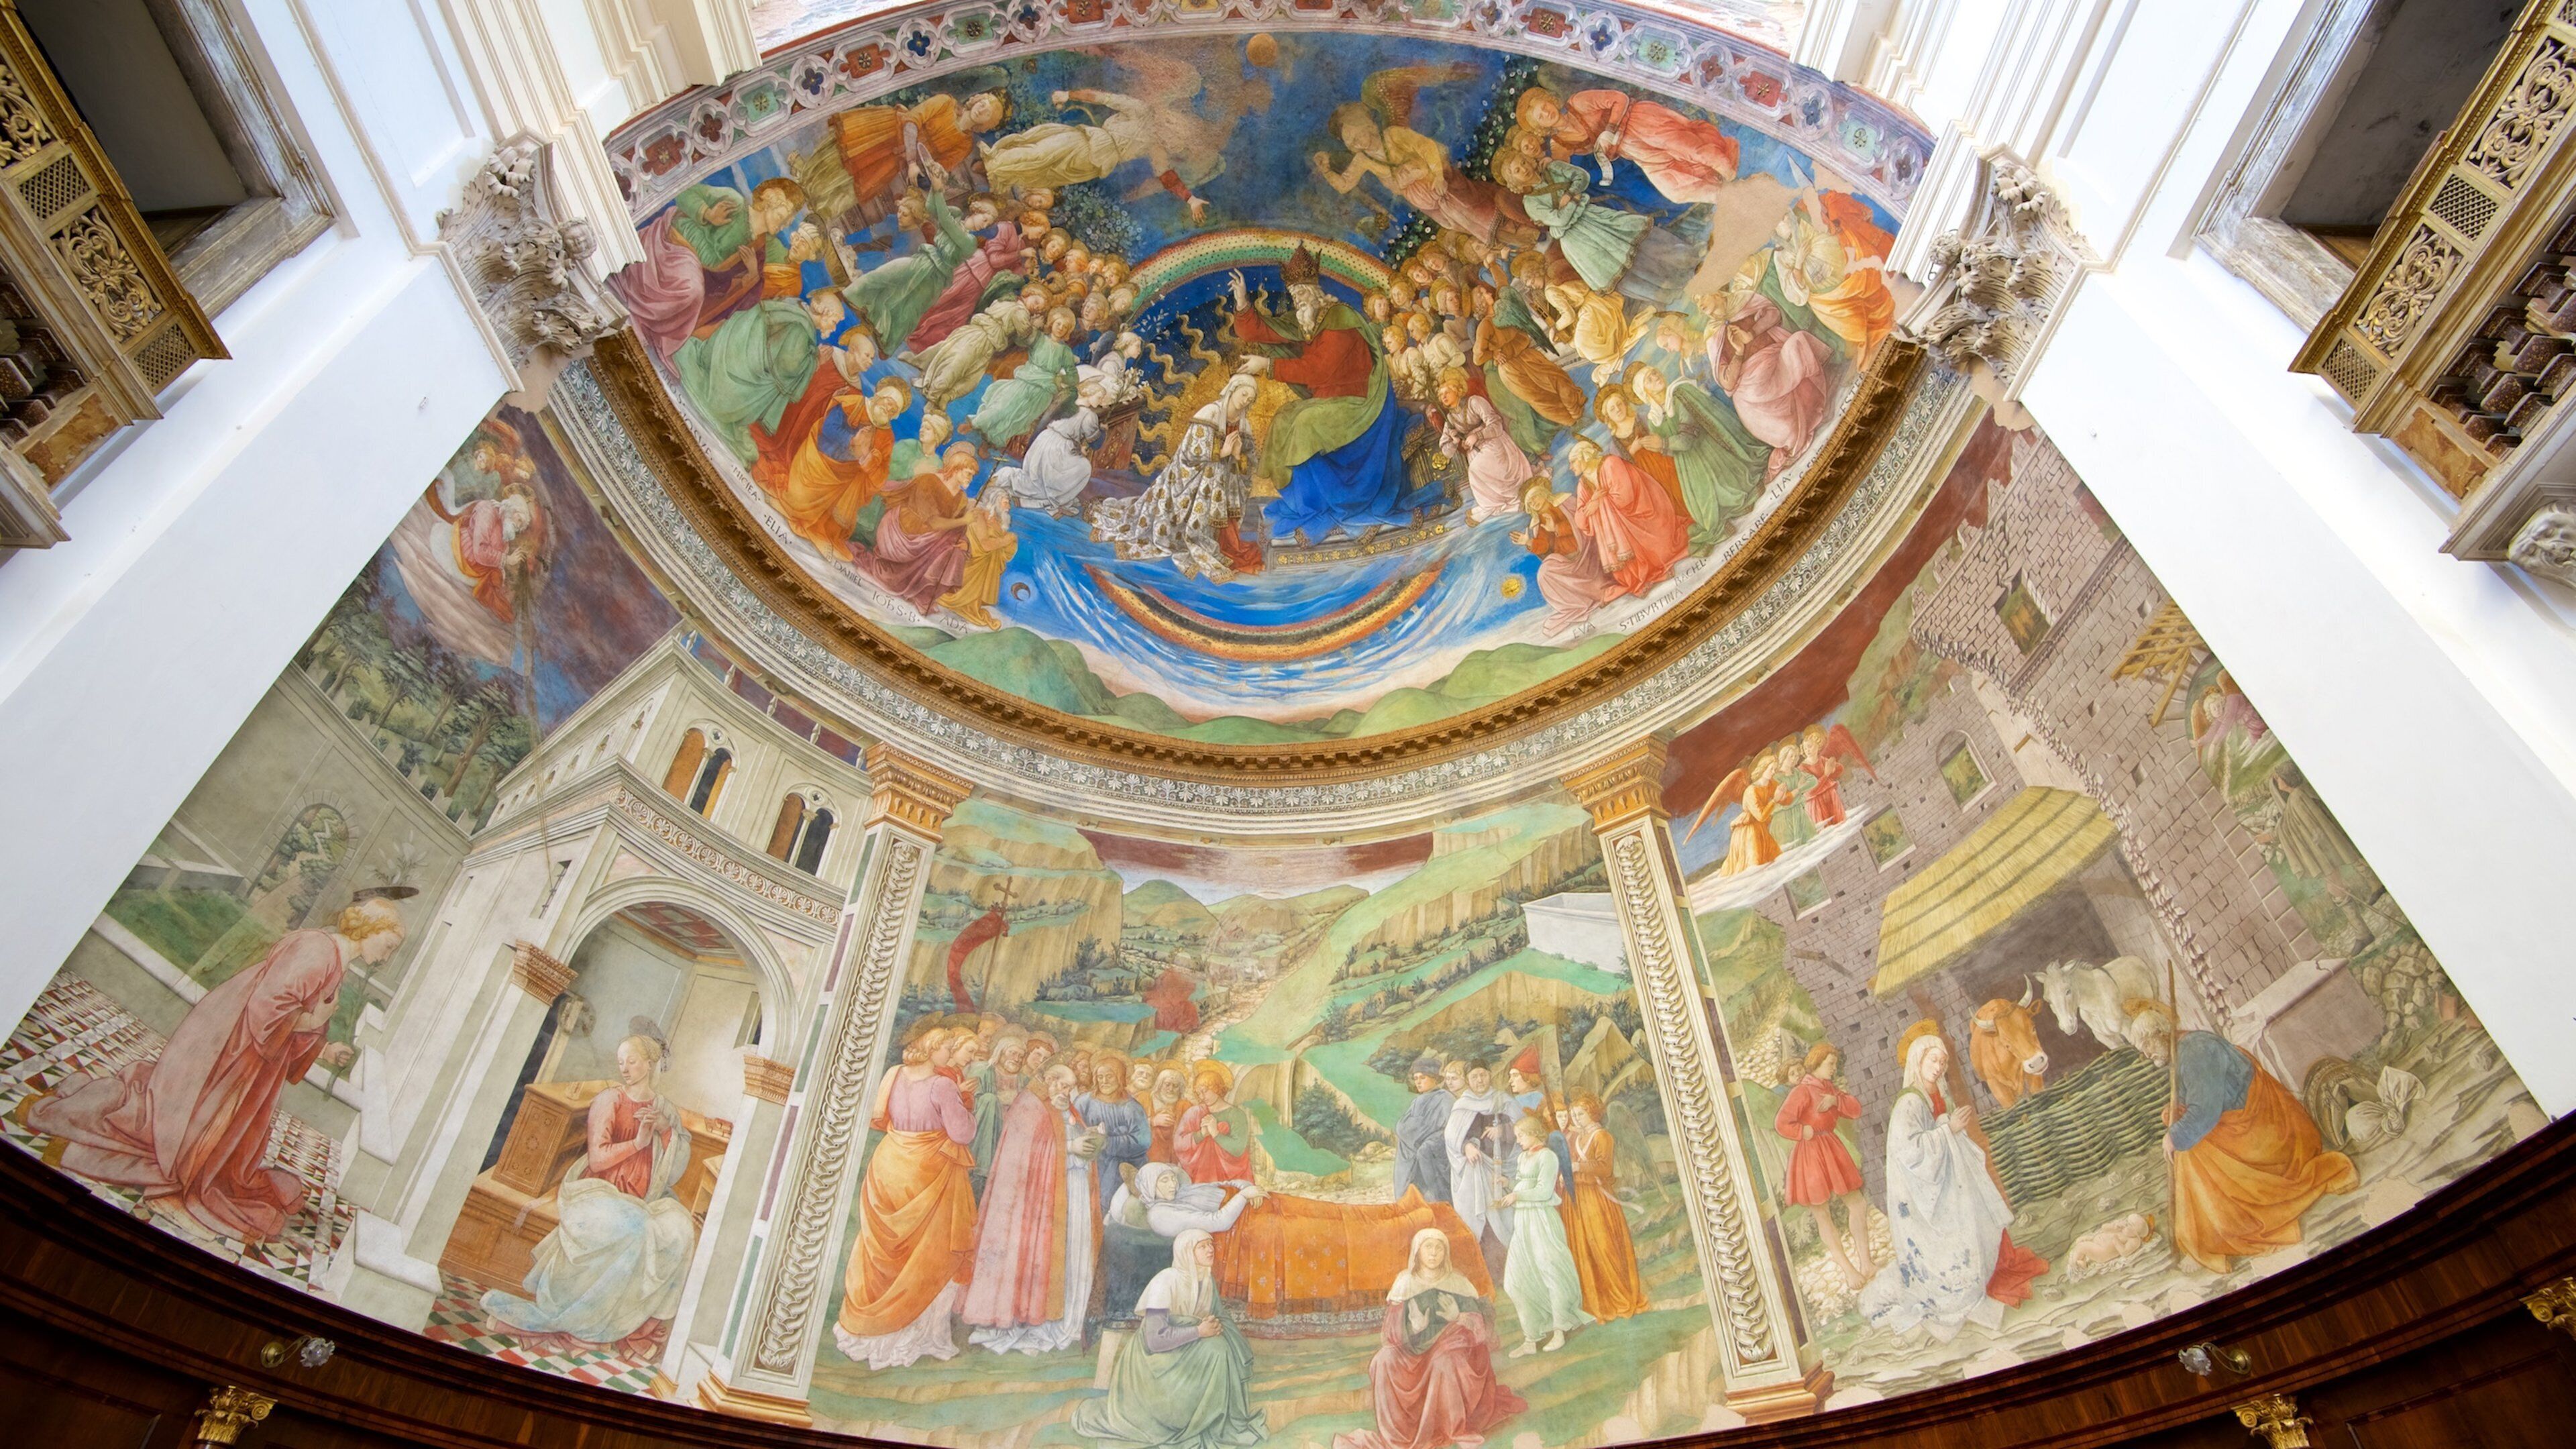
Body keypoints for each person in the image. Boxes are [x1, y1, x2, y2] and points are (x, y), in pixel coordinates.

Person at [21, 894, 397, 1244]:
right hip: (234, 1040)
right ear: (369, 928)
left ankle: (194, 1165)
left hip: (251, 1048)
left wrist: (326, 1049)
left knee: (218, 1123)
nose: (387, 955)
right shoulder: (319, 951)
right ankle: (179, 1177)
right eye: (389, 944)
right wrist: (311, 1021)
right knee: (196, 1113)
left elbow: (302, 1015)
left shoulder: (335, 960)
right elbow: (270, 1007)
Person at [482, 1035, 698, 1346]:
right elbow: (597, 1159)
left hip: (645, 1198)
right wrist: (638, 1143)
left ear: (649, 1064)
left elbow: (674, 1171)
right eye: (621, 1061)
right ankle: (588, 1318)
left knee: (681, 1230)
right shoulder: (610, 1101)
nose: (624, 1068)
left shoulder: (664, 1108)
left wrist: (665, 1131)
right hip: (595, 1192)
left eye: (632, 1061)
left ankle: (634, 1321)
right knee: (636, 1228)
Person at [1230, 248, 1436, 545]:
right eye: (1294, 294)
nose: (1298, 299)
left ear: (1316, 292)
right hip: (1329, 402)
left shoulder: (1340, 318)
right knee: (1284, 417)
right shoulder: (1307, 323)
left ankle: (1330, 503)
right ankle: (1305, 504)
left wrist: (1269, 365)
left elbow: (1320, 369)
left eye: (1302, 293)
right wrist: (1242, 302)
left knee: (1305, 423)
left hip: (1360, 404)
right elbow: (1262, 331)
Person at [1858, 1026, 2047, 1340]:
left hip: (1946, 1175)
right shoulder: (1909, 1103)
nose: (1939, 1067)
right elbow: (1909, 1150)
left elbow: (1937, 1128)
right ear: (1918, 1062)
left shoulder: (1935, 1094)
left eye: (1943, 1062)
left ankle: (1990, 1266)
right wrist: (1949, 1129)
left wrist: (1949, 1125)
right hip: (1923, 1189)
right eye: (1933, 1061)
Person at [2142, 1019, 2358, 1273]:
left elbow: (2205, 1113)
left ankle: (2220, 1231)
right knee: (2183, 1133)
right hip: (2249, 1126)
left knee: (2193, 1152)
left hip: (2265, 1134)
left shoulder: (2196, 1050)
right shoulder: (2184, 1050)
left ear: (2160, 1032)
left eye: (2146, 1044)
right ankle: (2213, 1227)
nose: (2146, 1054)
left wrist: (2174, 1137)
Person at [836, 1026, 979, 1368]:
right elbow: (962, 1132)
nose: (949, 1053)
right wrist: (963, 1100)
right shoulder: (943, 1085)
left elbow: (880, 1118)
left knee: (883, 1251)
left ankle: (873, 1331)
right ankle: (916, 1336)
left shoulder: (894, 1074)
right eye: (945, 1047)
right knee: (930, 1254)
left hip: (889, 1165)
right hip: (928, 1172)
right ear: (931, 1049)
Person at [1072, 1230, 1266, 1449]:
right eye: (1202, 1246)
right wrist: (1199, 1332)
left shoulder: (1207, 1281)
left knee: (1221, 1348)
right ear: (1186, 1252)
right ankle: (1176, 1417)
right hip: (1152, 1366)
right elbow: (1155, 1341)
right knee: (1216, 1349)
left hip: (1186, 1354)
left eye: (1210, 1245)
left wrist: (1232, 1343)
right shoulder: (1166, 1281)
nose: (1210, 1249)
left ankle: (1207, 1417)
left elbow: (1220, 1317)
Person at [1333, 1228, 1526, 1449]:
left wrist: (1459, 1316)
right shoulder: (1405, 1282)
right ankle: (1398, 1434)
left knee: (1443, 1361)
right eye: (1428, 1248)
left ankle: (1453, 1427)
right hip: (1413, 1351)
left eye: (1439, 1248)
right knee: (1382, 1360)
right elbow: (1389, 1336)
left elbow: (1480, 1333)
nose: (1434, 1254)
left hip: (1452, 1348)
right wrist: (1415, 1328)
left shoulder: (1458, 1282)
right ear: (1418, 1252)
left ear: (1446, 1253)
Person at [965, 1063, 1103, 1354]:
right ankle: (1024, 1320)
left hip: (1067, 1193)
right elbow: (1029, 1151)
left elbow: (1066, 1136)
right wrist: (1071, 1146)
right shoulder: (1029, 1104)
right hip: (1034, 1204)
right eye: (1064, 1086)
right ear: (1050, 1080)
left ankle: (1060, 1321)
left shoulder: (1061, 1106)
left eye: (1070, 1088)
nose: (1067, 1092)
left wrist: (1087, 1137)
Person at [1517, 86, 1737, 204]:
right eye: (1540, 116)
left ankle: (1733, 177)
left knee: (1690, 149)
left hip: (1639, 120)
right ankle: (1725, 198)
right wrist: (1547, 165)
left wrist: (1609, 130)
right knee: (1673, 187)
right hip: (1630, 149)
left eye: (1544, 105)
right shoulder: (1559, 144)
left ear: (1550, 101)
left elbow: (1619, 99)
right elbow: (1561, 171)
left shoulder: (1578, 102)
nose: (1547, 112)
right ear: (1539, 128)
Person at [1627, 362, 1765, 549]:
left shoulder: (1681, 393)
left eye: (1655, 372)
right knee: (1706, 511)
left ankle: (1735, 499)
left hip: (1709, 452)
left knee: (1732, 491)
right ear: (1646, 393)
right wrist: (1661, 447)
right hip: (1689, 467)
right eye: (1649, 380)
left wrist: (1663, 444)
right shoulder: (1653, 419)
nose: (1656, 377)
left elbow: (1686, 440)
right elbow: (1669, 450)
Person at [771, 376, 910, 557]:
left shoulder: (887, 437)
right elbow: (829, 428)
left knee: (832, 525)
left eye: (894, 409)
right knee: (796, 501)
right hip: (817, 461)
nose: (888, 409)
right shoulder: (853, 404)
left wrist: (869, 461)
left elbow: (881, 475)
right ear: (879, 396)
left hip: (843, 482)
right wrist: (852, 441)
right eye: (888, 402)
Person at [1774, 1043, 1874, 1289]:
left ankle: (1866, 1263)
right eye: (1830, 1064)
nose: (1833, 1068)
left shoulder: (1829, 1089)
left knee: (1857, 1204)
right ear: (1817, 1063)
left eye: (1835, 1064)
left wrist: (1835, 1101)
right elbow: (1781, 1123)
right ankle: (1849, 1271)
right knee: (1822, 1213)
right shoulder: (1802, 1091)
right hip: (1810, 1153)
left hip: (1831, 1147)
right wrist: (1802, 1130)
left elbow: (1855, 1110)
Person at [829, 92, 1008, 227]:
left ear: (987, 123)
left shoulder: (965, 144)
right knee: (842, 157)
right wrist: (912, 162)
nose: (981, 110)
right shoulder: (946, 103)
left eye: (987, 114)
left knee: (855, 183)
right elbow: (911, 121)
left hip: (896, 160)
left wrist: (936, 176)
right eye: (983, 104)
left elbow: (939, 167)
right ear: (977, 100)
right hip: (889, 132)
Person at [1715, 286, 1835, 477]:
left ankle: (1812, 404)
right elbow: (1728, 383)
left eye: (1701, 298)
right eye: (1697, 303)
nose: (1701, 305)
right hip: (1750, 383)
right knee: (1781, 425)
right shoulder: (1713, 337)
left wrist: (1751, 335)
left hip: (1775, 357)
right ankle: (1792, 437)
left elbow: (1773, 314)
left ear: (1716, 293)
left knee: (1798, 343)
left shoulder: (1743, 300)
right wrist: (1739, 352)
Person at [1497, 1114, 1591, 1355]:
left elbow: (1543, 1191)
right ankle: (1531, 1337)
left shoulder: (1548, 1156)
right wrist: (1508, 1183)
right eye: (1517, 1136)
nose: (1518, 1141)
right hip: (1523, 1222)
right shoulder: (1522, 1158)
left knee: (1551, 1271)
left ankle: (1560, 1330)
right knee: (1515, 1281)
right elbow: (1524, 1185)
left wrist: (1517, 1196)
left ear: (1535, 1134)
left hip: (1542, 1219)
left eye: (1521, 1136)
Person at [1559, 1094, 1647, 1322]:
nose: (1576, 1119)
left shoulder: (1602, 1136)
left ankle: (1619, 1298)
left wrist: (1578, 1166)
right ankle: (1597, 1301)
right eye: (1573, 1115)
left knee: (1604, 1248)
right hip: (1577, 1198)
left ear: (1593, 1114)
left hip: (1596, 1199)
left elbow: (1605, 1168)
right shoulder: (1575, 1137)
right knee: (1583, 1249)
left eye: (1581, 1114)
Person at [862, 444, 977, 613]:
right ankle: (904, 581)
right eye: (968, 474)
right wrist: (964, 520)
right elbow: (933, 523)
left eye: (973, 476)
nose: (970, 479)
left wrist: (965, 543)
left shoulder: (961, 499)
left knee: (956, 550)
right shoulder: (929, 481)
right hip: (902, 531)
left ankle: (924, 594)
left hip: (929, 537)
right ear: (956, 468)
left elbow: (958, 530)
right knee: (946, 541)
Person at [1569, 438, 1689, 598]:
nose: (1571, 467)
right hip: (1617, 534)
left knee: (1663, 550)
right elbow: (1579, 520)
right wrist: (1593, 503)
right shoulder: (1583, 484)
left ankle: (1649, 567)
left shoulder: (1611, 463)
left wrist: (1598, 504)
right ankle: (1637, 576)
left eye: (1573, 462)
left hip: (1638, 520)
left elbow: (1625, 498)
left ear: (1584, 456)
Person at [1435, 368, 1539, 525]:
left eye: (1446, 393)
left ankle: (1495, 503)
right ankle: (1493, 503)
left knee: (1476, 469)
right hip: (1476, 453)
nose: (1443, 397)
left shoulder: (1474, 402)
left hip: (1494, 442)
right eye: (1441, 396)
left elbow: (1496, 424)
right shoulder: (1449, 419)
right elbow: (1446, 451)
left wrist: (1478, 436)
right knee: (1477, 467)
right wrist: (1454, 442)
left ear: (1457, 390)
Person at [1513, 477, 1613, 637]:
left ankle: (1597, 590)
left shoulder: (1566, 503)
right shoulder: (1539, 522)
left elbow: (1582, 521)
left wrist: (1558, 527)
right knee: (1545, 572)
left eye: (1534, 498)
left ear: (1543, 494)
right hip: (1567, 561)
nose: (1533, 503)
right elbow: (1544, 546)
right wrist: (1529, 541)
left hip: (1588, 552)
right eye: (1530, 503)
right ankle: (1574, 604)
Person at [1442, 1062, 1515, 1281]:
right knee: (1478, 1220)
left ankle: (1506, 1275)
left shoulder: (1503, 1100)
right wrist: (1466, 1146)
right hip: (1474, 1173)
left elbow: (1525, 1128)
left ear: (1490, 1075)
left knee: (1502, 1220)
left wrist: (1502, 1130)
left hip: (1500, 1170)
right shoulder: (1463, 1105)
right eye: (1474, 1077)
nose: (1480, 1081)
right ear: (1468, 1080)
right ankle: (1480, 1276)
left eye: (1483, 1075)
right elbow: (1452, 1138)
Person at [1079, 1053, 1154, 1217]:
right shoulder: (1084, 1102)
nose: (1104, 1081)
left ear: (1120, 1078)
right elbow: (1072, 1128)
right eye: (1100, 1077)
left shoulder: (1132, 1107)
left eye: (1109, 1077)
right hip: (1091, 1165)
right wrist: (1087, 1136)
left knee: (1113, 1211)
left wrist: (1108, 1142)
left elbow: (1143, 1140)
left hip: (1122, 1169)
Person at [936, 482, 1018, 629]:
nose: (1009, 507)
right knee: (963, 592)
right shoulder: (979, 515)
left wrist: (1009, 542)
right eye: (1006, 502)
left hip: (984, 566)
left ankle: (970, 606)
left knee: (973, 596)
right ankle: (960, 604)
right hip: (973, 563)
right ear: (995, 501)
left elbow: (1002, 550)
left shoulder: (996, 521)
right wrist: (1006, 540)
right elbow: (984, 545)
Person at [994, 407, 1099, 516]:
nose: (1101, 399)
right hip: (1059, 450)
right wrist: (1103, 430)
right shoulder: (1089, 415)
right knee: (1085, 467)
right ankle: (1055, 497)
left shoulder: (1070, 403)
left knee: (1036, 479)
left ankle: (1009, 478)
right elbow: (1096, 444)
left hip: (1044, 439)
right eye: (1100, 396)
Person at [1174, 1063, 1256, 1183]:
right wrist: (1201, 1134)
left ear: (1217, 1088)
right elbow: (1178, 1143)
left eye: (1205, 1091)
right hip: (1199, 1177)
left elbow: (1238, 1149)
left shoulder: (1236, 1115)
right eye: (1199, 1093)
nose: (1202, 1097)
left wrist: (1216, 1134)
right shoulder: (1194, 1113)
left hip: (1231, 1179)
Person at [1391, 1057, 1454, 1204]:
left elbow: (1447, 1129)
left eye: (1422, 1078)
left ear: (1434, 1078)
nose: (1418, 1082)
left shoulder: (1445, 1098)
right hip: (1410, 1156)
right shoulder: (1417, 1101)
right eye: (1416, 1078)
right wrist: (1418, 1128)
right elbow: (1402, 1127)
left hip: (1432, 1156)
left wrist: (1420, 1130)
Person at [973, 1031, 1028, 1187]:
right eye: (1013, 1053)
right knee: (989, 1099)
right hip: (982, 1134)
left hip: (1011, 1136)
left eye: (1021, 1056)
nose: (1017, 1059)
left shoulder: (1024, 1081)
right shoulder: (982, 1070)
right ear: (1001, 1052)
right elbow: (969, 1103)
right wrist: (1001, 1099)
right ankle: (981, 1169)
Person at [1147, 1067, 1190, 1164]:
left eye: (1175, 1086)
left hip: (1174, 1158)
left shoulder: (1185, 1105)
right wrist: (1153, 1121)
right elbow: (1131, 1125)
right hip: (1147, 1156)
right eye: (1167, 1084)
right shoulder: (1145, 1098)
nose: (1171, 1089)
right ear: (1160, 1085)